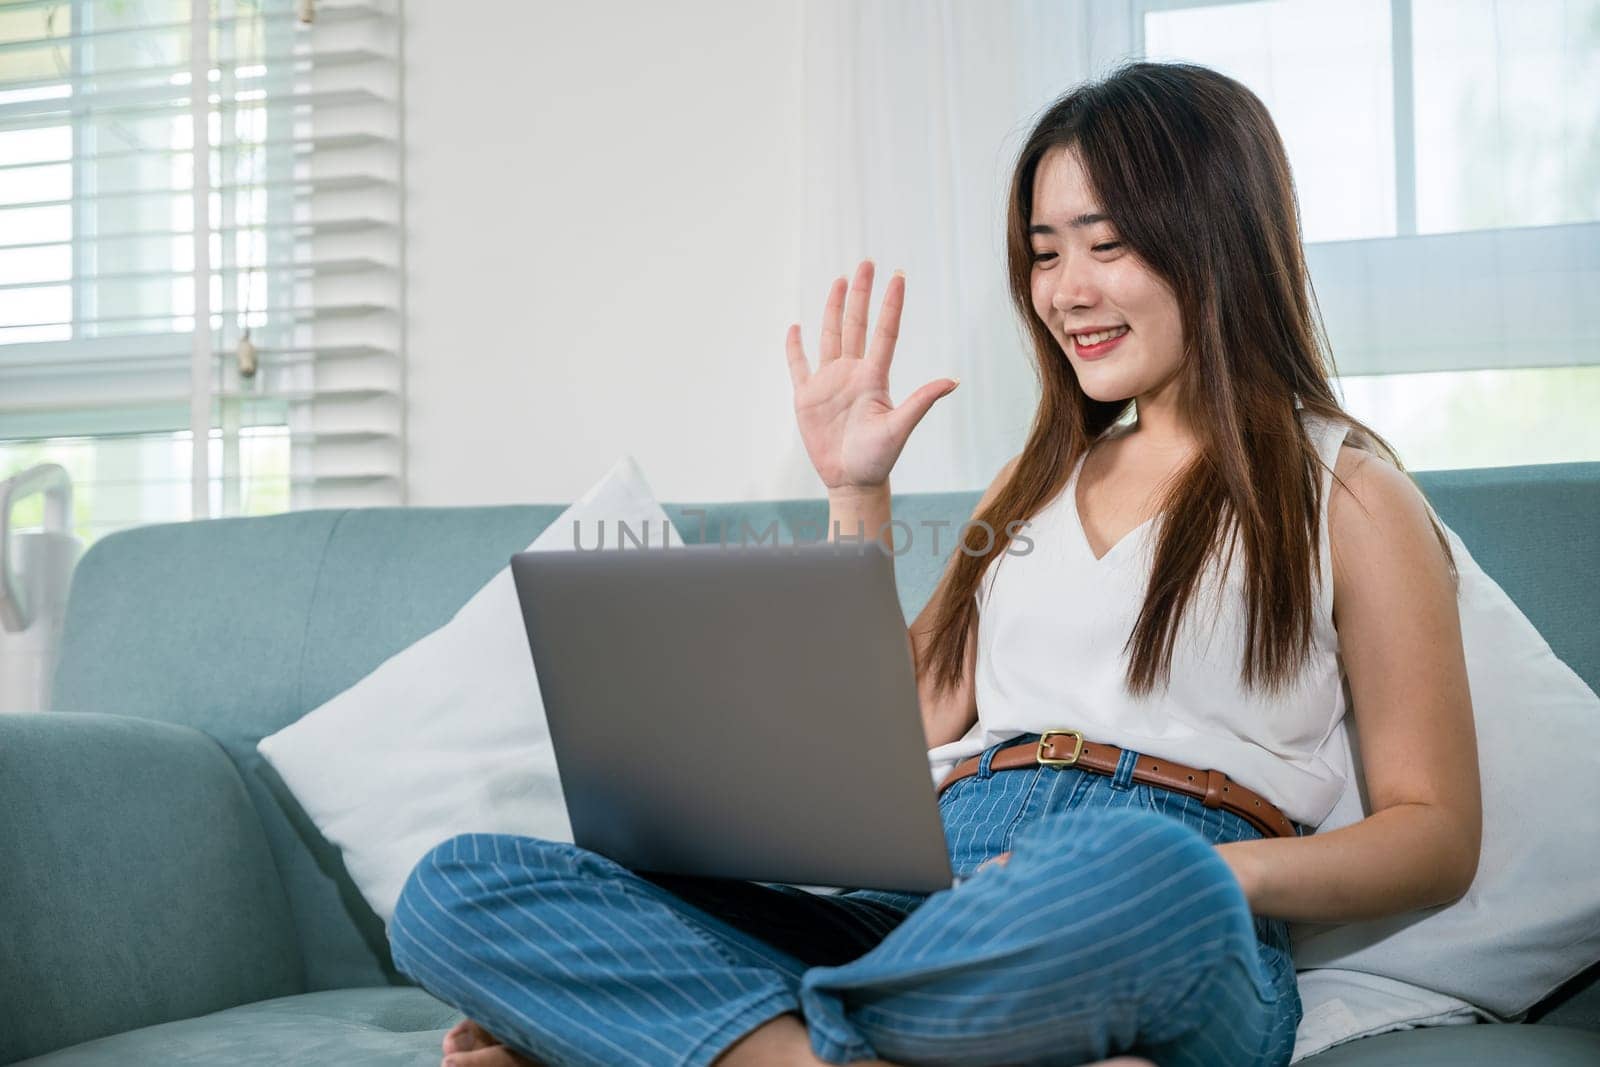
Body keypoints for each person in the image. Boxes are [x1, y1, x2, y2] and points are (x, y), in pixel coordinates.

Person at [386, 60, 1482, 1067]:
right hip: (933, 913)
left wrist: (1217, 873)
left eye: (1106, 245)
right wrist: (856, 490)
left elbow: (1434, 833)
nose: (1065, 290)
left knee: (1131, 869)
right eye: (1044, 253)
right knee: (454, 887)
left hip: (1162, 901)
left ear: (1216, 238)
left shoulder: (1344, 489)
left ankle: (719, 1035)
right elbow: (889, 727)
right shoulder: (1032, 485)